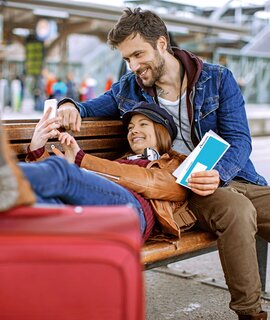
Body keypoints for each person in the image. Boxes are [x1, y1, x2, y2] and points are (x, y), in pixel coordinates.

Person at [55, 7, 270, 320]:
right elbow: (87, 107)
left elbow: (240, 141)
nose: (134, 66)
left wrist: (217, 174)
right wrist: (67, 104)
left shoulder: (217, 79)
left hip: (229, 176)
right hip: (183, 187)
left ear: (161, 43)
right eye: (127, 59)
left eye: (138, 54)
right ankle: (251, 314)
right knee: (236, 211)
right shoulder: (129, 87)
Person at [0, 102, 196, 242]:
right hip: (92, 213)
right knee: (38, 206)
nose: (133, 131)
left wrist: (80, 161)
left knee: (63, 172)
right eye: (130, 127)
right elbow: (80, 186)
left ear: (163, 131)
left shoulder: (174, 163)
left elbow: (151, 182)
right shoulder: (121, 161)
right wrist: (37, 149)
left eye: (143, 125)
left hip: (132, 216)